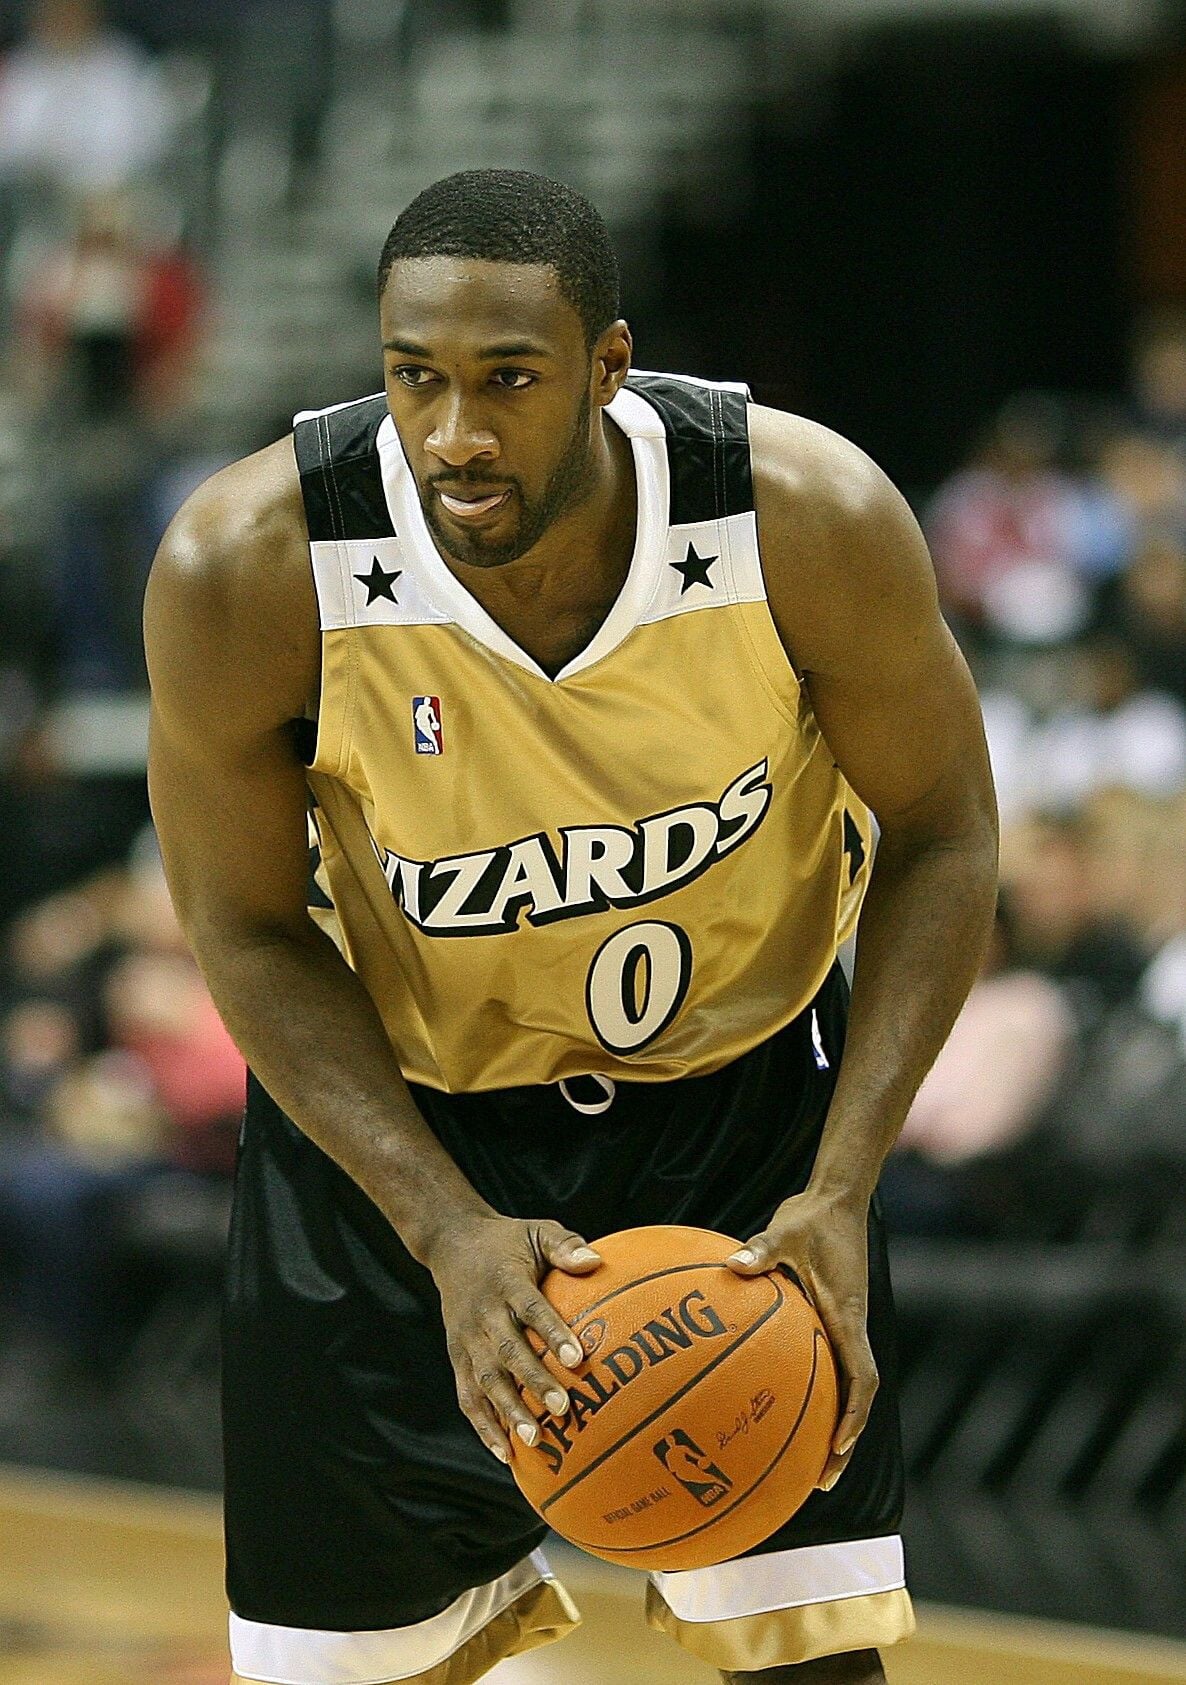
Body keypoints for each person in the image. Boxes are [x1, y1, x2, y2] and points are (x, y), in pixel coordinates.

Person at [144, 170, 998, 1685]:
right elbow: (245, 927)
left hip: (736, 1126)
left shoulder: (802, 518)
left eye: (508, 380)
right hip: (399, 1145)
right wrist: (442, 1224)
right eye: (415, 378)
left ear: (608, 366)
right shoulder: (250, 568)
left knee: (814, 1662)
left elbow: (944, 832)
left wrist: (844, 1182)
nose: (454, 435)